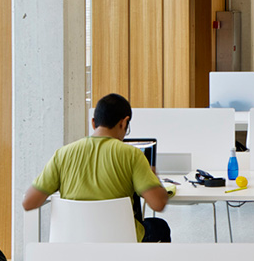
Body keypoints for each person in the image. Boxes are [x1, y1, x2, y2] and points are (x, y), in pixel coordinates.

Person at [22, 93, 171, 242]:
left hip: (73, 244)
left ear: (93, 123)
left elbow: (29, 202)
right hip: (120, 243)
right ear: (124, 123)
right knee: (160, 227)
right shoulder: (132, 155)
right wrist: (153, 177)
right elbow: (158, 204)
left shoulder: (62, 154)